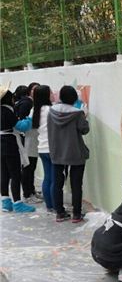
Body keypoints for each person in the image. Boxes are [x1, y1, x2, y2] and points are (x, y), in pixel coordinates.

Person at [48, 85, 90, 223]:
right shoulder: (77, 113)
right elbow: (84, 130)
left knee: (57, 183)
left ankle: (60, 213)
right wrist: (85, 115)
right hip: (75, 152)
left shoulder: (51, 111)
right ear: (74, 98)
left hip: (57, 151)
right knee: (76, 184)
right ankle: (76, 214)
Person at [1, 85, 36, 213]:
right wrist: (29, 119)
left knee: (4, 174)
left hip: (1, 144)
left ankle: (5, 202)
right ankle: (17, 203)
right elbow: (21, 126)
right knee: (15, 174)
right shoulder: (6, 111)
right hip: (9, 144)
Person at [14, 85, 41, 204]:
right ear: (29, 91)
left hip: (31, 140)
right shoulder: (27, 104)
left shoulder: (31, 103)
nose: (36, 92)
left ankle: (31, 190)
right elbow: (22, 123)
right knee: (28, 167)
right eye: (34, 90)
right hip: (28, 140)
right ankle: (27, 193)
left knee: (31, 166)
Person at [32, 85, 55, 212]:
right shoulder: (50, 110)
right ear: (46, 95)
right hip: (52, 148)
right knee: (55, 179)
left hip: (41, 148)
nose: (52, 94)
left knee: (47, 177)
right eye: (50, 92)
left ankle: (49, 206)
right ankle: (56, 206)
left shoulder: (35, 110)